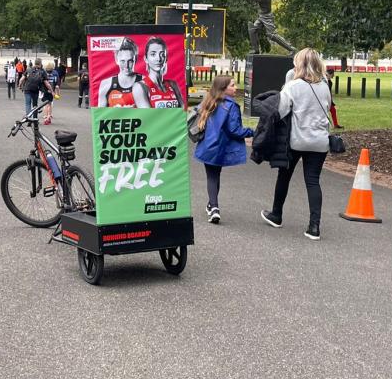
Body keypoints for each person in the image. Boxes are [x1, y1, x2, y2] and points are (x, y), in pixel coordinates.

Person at [261, 48, 335, 240]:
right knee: (313, 181)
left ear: (299, 65)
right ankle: (314, 226)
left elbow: (282, 110)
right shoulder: (324, 86)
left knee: (284, 175)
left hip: (297, 140)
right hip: (320, 141)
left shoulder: (293, 86)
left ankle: (276, 214)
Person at [193, 75, 254, 224]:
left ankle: (212, 205)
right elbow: (235, 130)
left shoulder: (208, 101)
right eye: (232, 85)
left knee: (211, 176)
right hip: (221, 147)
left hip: (207, 145)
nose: (235, 88)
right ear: (224, 88)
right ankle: (214, 207)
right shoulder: (231, 106)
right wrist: (252, 131)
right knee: (215, 175)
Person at [97, 37, 146, 108]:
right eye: (123, 61)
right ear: (116, 60)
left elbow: (153, 114)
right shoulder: (106, 84)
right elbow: (100, 115)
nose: (126, 65)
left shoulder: (145, 82)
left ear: (136, 59)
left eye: (130, 61)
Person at [140, 36, 185, 108]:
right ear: (146, 59)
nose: (158, 59)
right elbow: (148, 117)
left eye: (162, 54)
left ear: (166, 59)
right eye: (153, 54)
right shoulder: (140, 86)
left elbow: (182, 112)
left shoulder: (173, 84)